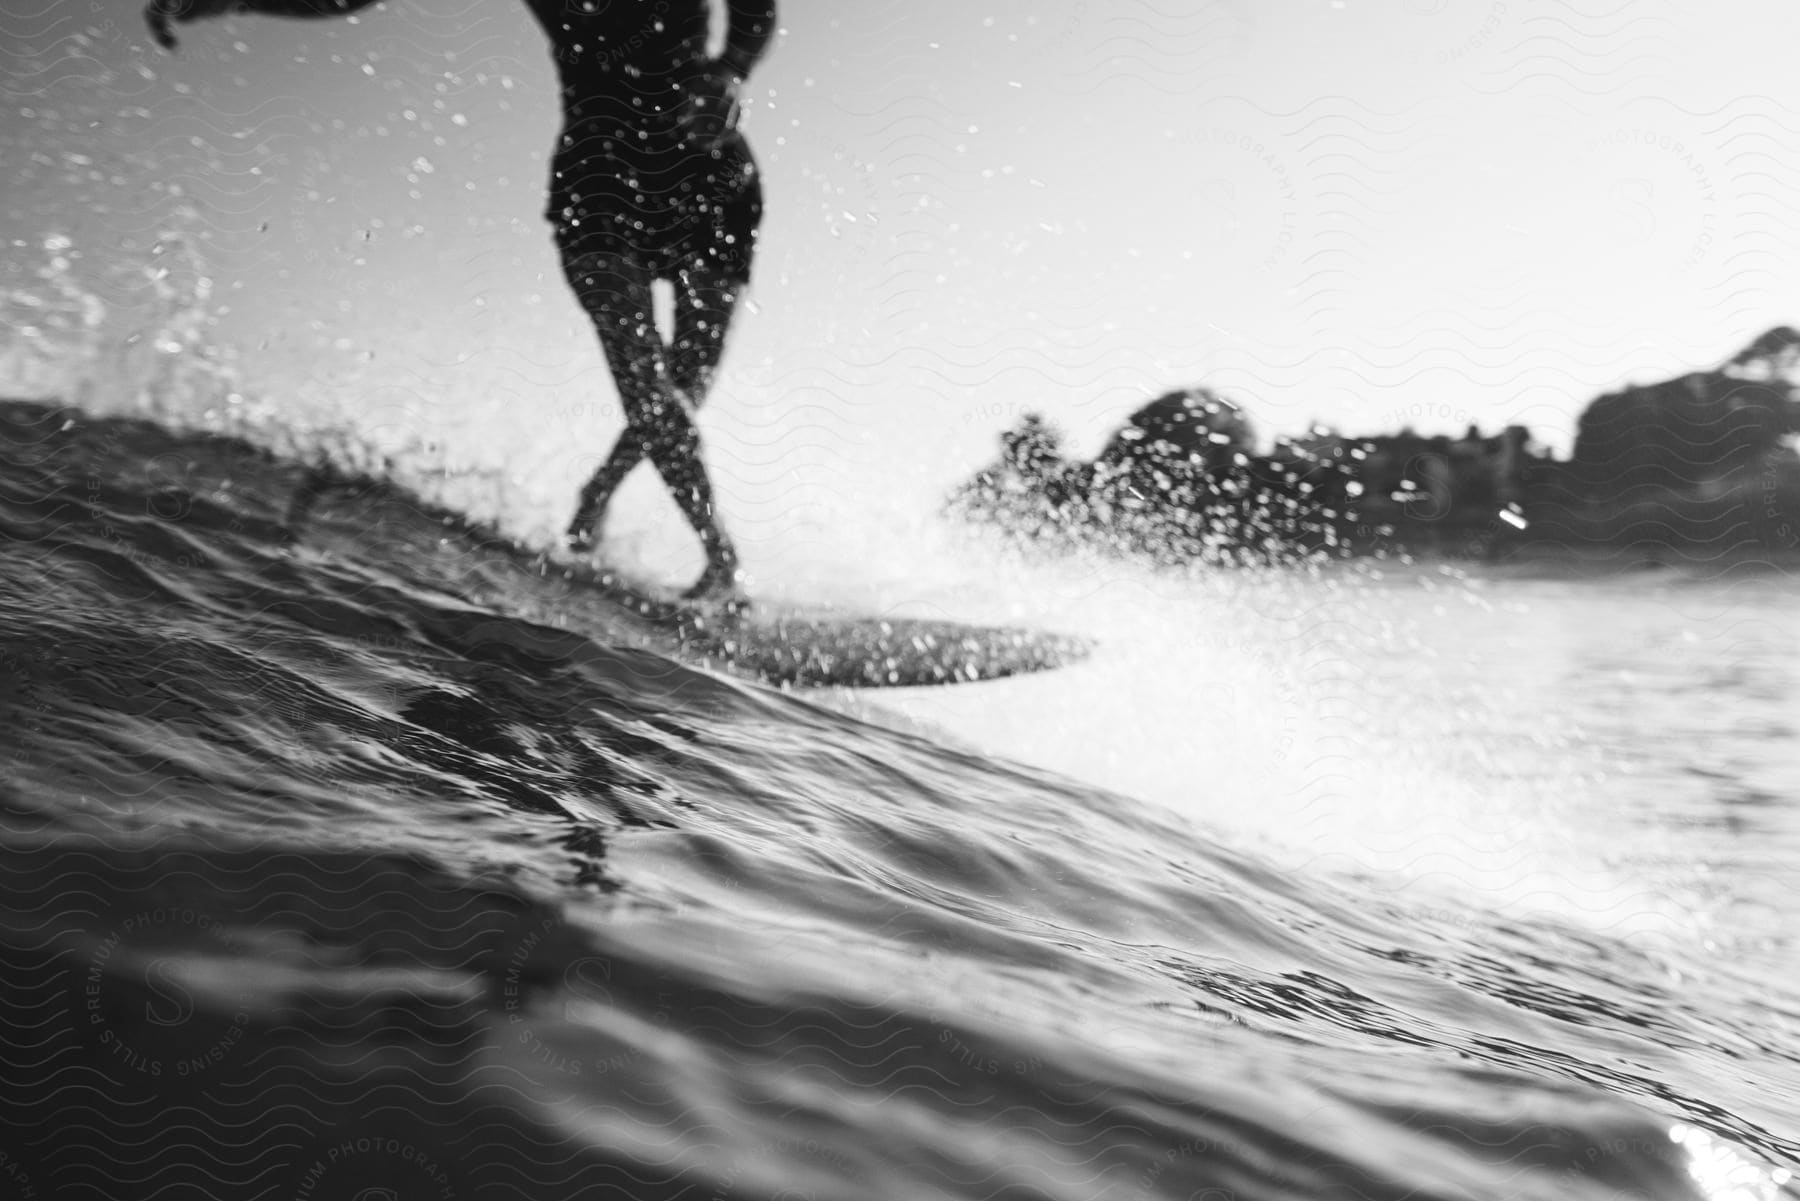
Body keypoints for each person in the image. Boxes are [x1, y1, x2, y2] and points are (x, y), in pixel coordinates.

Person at [149, 0, 777, 600]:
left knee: (688, 378)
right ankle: (721, 561)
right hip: (600, 174)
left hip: (706, 167)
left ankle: (598, 492)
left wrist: (730, 72)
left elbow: (753, 9)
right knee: (645, 380)